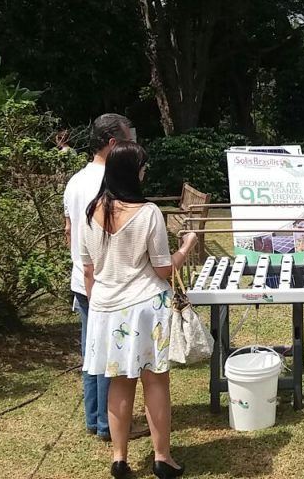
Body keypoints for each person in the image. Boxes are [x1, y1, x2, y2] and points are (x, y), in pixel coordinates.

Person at [80, 141, 198, 479]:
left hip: (106, 307)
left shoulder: (91, 212)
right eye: (142, 167)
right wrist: (187, 245)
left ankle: (120, 459)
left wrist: (101, 307)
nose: (145, 172)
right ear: (133, 172)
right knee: (155, 381)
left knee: (119, 383)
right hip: (145, 307)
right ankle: (162, 457)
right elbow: (163, 268)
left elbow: (88, 269)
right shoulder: (148, 213)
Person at [63, 113, 142, 441]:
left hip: (83, 280)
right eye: (127, 140)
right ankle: (110, 423)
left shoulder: (75, 181)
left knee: (92, 354)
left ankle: (96, 420)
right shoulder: (111, 181)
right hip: (110, 283)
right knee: (113, 357)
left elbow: (69, 231)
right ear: (113, 143)